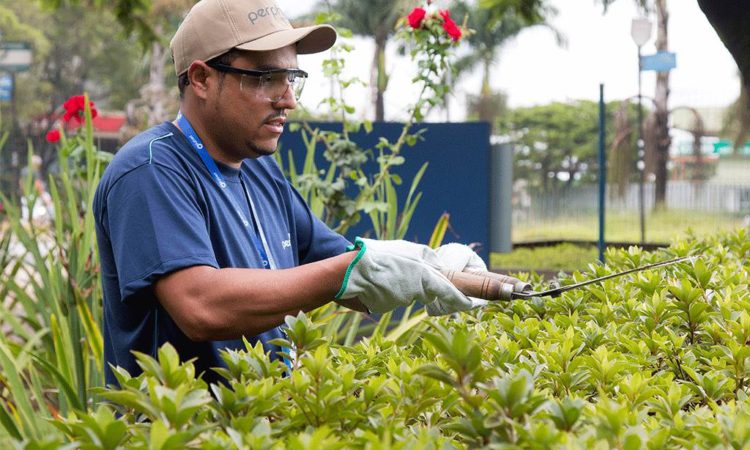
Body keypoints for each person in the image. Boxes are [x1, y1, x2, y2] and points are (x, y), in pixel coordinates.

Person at [93, 0, 486, 386]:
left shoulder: (259, 169)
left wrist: (433, 271)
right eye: (266, 79)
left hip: (264, 417)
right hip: (183, 431)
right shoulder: (151, 170)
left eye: (291, 78)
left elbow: (340, 265)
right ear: (201, 79)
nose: (289, 101)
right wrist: (354, 269)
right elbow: (201, 306)